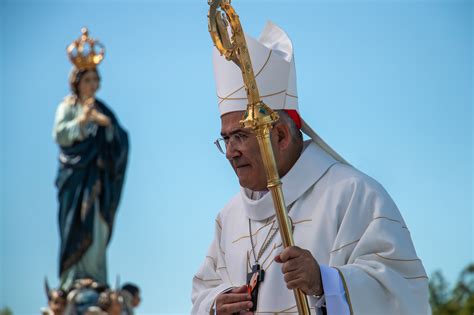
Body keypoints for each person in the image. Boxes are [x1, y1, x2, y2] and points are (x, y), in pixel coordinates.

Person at [191, 21, 430, 314]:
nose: (230, 152)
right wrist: (217, 304)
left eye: (240, 136)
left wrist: (326, 282)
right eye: (225, 139)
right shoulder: (229, 217)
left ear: (279, 135)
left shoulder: (353, 194)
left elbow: (404, 291)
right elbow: (202, 290)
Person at [54, 28, 129, 290]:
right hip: (74, 180)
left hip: (97, 182)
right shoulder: (68, 107)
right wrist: (81, 121)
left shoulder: (103, 110)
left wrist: (107, 126)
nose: (93, 85)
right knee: (73, 224)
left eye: (95, 80)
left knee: (96, 226)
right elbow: (60, 135)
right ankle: (72, 279)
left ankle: (95, 278)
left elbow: (120, 142)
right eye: (88, 80)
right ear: (77, 81)